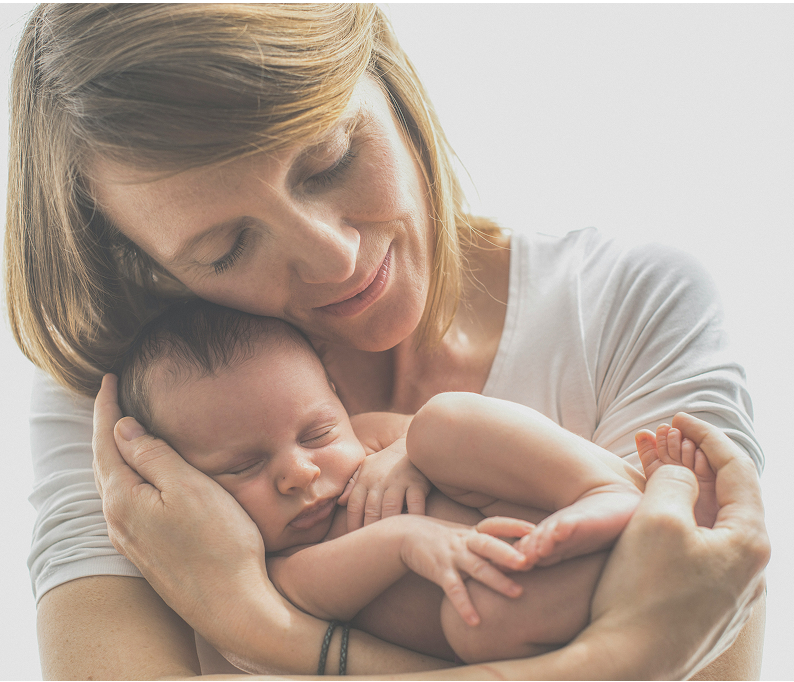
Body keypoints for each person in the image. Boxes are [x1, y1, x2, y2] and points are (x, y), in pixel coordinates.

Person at [5, 4, 768, 679]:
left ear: (389, 75)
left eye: (332, 158)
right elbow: (664, 629)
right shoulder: (138, 407)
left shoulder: (625, 304)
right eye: (226, 248)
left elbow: (706, 601)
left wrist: (263, 629)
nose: (334, 256)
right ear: (145, 262)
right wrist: (620, 658)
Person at [116, 299, 652, 663]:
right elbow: (312, 595)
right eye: (243, 467)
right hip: (529, 595)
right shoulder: (271, 571)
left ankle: (602, 490)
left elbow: (441, 442)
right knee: (479, 623)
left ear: (337, 398)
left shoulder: (368, 435)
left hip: (546, 514)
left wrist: (403, 453)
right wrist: (405, 540)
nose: (300, 472)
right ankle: (621, 563)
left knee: (441, 424)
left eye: (318, 431)